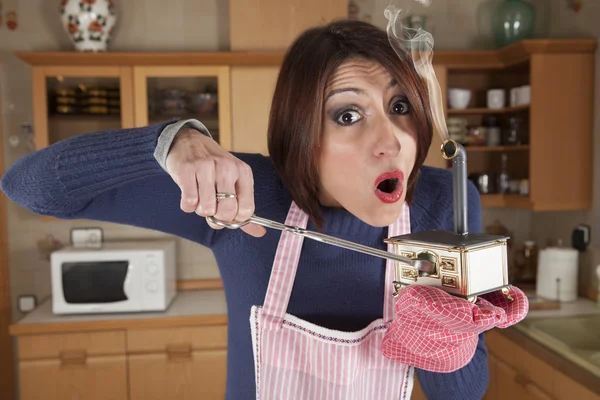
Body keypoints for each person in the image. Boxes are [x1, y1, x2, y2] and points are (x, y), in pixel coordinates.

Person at [2, 20, 495, 399]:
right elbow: (27, 186)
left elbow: (467, 391)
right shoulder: (242, 194)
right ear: (300, 132)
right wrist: (170, 142)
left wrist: (444, 334)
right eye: (348, 114)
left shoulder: (446, 200)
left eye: (400, 107)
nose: (392, 141)